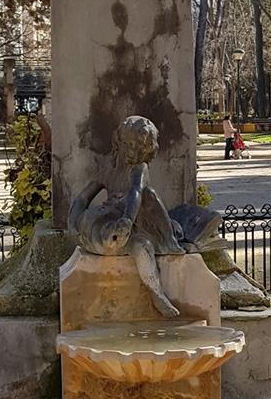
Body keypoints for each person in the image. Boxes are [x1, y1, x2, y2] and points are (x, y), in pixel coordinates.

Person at [69, 116, 184, 318]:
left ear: (146, 150)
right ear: (118, 142)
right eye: (128, 144)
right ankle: (166, 248)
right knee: (143, 218)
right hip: (105, 227)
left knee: (142, 246)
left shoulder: (135, 167)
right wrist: (74, 221)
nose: (132, 151)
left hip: (115, 230)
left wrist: (127, 221)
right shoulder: (117, 169)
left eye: (139, 147)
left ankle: (157, 293)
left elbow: (134, 192)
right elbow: (84, 198)